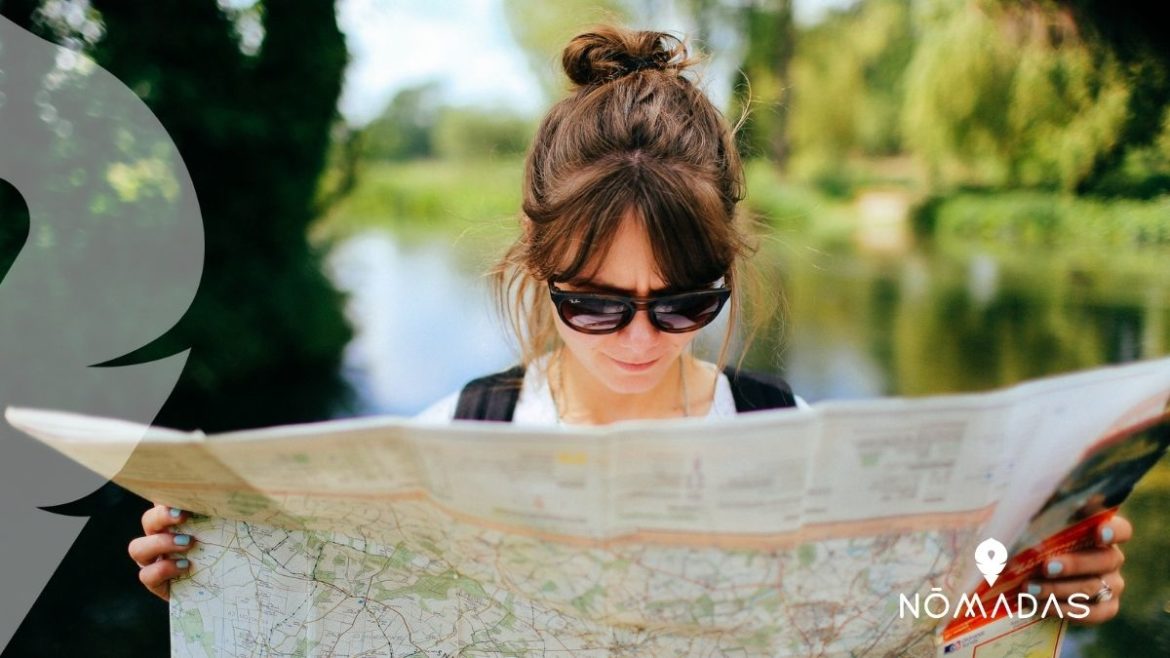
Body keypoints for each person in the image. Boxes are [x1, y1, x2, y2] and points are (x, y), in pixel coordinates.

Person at [128, 24, 1130, 626]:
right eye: (596, 303)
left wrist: (1044, 591)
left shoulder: (801, 439)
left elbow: (912, 623)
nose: (644, 341)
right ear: (537, 267)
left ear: (730, 266)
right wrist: (221, 585)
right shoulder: (450, 437)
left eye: (687, 300)